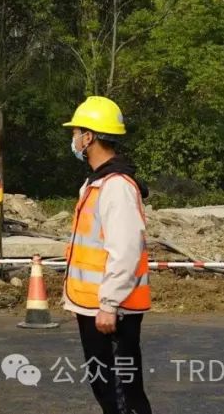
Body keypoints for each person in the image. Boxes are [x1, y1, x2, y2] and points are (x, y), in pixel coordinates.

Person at [62, 96, 152, 414]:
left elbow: (125, 251)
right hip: (96, 307)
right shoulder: (97, 183)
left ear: (89, 138)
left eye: (76, 133)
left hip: (112, 311)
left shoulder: (116, 187)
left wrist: (109, 304)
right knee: (108, 390)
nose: (72, 140)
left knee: (122, 394)